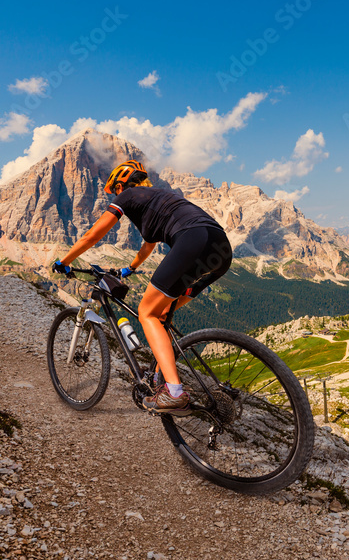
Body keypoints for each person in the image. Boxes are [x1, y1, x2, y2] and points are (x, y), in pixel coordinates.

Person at [52, 160, 232, 415]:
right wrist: (131, 268)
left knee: (146, 312)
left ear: (121, 184)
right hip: (221, 248)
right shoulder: (158, 198)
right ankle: (161, 378)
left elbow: (93, 235)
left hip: (194, 240)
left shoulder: (127, 196)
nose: (116, 195)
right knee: (162, 315)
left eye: (116, 189)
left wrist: (65, 261)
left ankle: (174, 393)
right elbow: (149, 244)